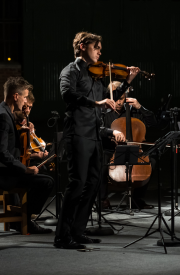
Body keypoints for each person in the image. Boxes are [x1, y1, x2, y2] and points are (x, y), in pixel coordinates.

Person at [55, 31, 139, 249]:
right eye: (96, 48)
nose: (100, 52)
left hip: (93, 134)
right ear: (82, 46)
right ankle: (62, 237)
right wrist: (96, 103)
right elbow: (67, 95)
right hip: (78, 133)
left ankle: (78, 231)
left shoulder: (97, 76)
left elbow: (111, 98)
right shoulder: (70, 70)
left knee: (93, 184)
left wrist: (127, 81)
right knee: (77, 184)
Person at [0, 76, 54, 234]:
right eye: (24, 97)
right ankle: (24, 219)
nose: (25, 102)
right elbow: (2, 152)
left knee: (43, 179)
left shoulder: (5, 112)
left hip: (7, 170)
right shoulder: (4, 116)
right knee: (47, 182)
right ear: (16, 96)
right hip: (4, 174)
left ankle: (22, 218)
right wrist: (24, 169)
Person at [100, 81, 158, 210]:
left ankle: (138, 199)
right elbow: (99, 130)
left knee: (151, 161)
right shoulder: (105, 114)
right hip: (111, 151)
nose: (119, 103)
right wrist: (112, 132)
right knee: (101, 161)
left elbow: (153, 123)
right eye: (115, 99)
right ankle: (102, 199)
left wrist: (140, 107)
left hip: (133, 151)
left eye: (121, 99)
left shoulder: (135, 112)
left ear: (126, 96)